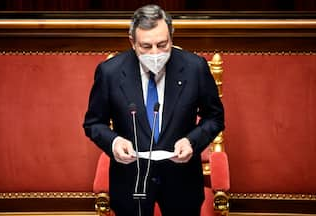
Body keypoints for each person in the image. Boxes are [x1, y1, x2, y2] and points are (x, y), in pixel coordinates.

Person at [83, 4, 224, 216]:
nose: (155, 53)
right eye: (146, 47)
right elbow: (93, 123)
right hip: (131, 182)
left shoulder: (195, 68)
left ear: (172, 37)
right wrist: (114, 142)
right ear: (132, 42)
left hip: (182, 182)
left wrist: (191, 141)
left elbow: (214, 117)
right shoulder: (110, 72)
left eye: (162, 44)